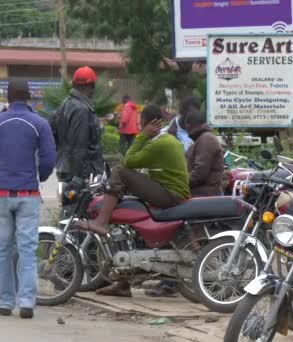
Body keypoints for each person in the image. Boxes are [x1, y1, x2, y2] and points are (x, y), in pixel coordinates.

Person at [76, 104, 191, 297]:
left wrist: (143, 134)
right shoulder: (165, 140)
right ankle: (122, 282)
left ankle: (101, 222)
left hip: (170, 195)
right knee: (131, 221)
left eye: (141, 123)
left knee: (119, 172)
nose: (139, 126)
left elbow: (128, 161)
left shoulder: (159, 143)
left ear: (148, 124)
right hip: (169, 191)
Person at [0, 80, 56, 318]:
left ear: (7, 96)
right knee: (27, 249)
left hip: (1, 194)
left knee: (2, 250)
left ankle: (4, 302)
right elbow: (49, 158)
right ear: (29, 96)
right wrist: (39, 177)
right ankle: (26, 303)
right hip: (28, 194)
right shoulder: (39, 124)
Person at [51, 66, 103, 183]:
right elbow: (79, 148)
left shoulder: (64, 104)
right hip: (79, 174)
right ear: (92, 86)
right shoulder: (81, 109)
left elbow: (54, 136)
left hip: (65, 168)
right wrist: (79, 179)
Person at [184, 110, 224, 197]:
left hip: (204, 196)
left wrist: (181, 183)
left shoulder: (206, 139)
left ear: (188, 125)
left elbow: (200, 173)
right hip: (202, 194)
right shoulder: (202, 139)